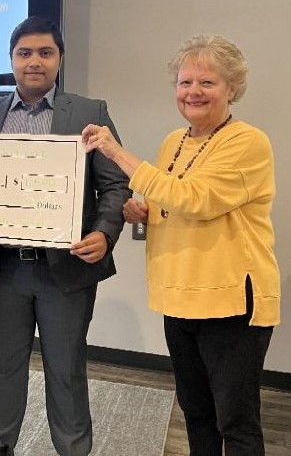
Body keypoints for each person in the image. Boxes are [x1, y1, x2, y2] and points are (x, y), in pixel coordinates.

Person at [82, 35, 281, 455]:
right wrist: (145, 211)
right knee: (196, 412)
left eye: (206, 82)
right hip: (179, 297)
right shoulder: (174, 141)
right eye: (184, 81)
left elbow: (197, 200)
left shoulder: (248, 142)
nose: (193, 91)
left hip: (231, 303)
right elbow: (173, 200)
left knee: (236, 420)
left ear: (232, 88)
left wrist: (117, 154)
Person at [0, 16, 131, 456]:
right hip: (2, 270)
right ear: (11, 60)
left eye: (45, 53)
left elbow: (115, 185)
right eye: (24, 53)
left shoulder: (90, 112)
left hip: (67, 269)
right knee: (4, 364)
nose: (34, 61)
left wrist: (105, 234)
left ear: (59, 59)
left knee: (66, 368)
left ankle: (73, 449)